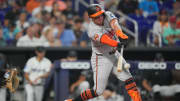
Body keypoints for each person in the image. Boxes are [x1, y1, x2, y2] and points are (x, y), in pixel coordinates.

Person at [65, 4, 142, 101]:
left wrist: (120, 34)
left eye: (100, 15)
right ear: (91, 18)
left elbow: (114, 24)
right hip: (101, 58)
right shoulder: (92, 30)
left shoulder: (107, 14)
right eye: (96, 17)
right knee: (98, 91)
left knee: (129, 79)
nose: (100, 18)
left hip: (114, 54)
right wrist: (116, 43)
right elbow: (104, 39)